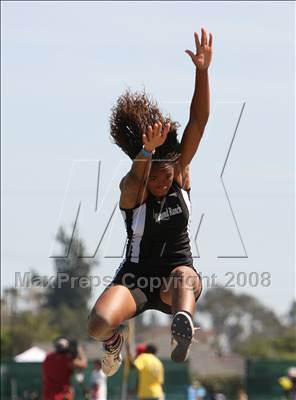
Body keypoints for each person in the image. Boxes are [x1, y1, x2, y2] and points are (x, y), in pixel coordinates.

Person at [87, 27, 213, 377]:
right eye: (154, 177)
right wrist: (146, 151)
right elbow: (138, 176)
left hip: (176, 279)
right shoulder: (134, 190)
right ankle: (114, 343)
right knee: (97, 323)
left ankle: (183, 325)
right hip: (137, 279)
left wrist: (202, 72)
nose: (160, 183)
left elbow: (199, 122)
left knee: (186, 278)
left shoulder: (181, 172)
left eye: (166, 176)